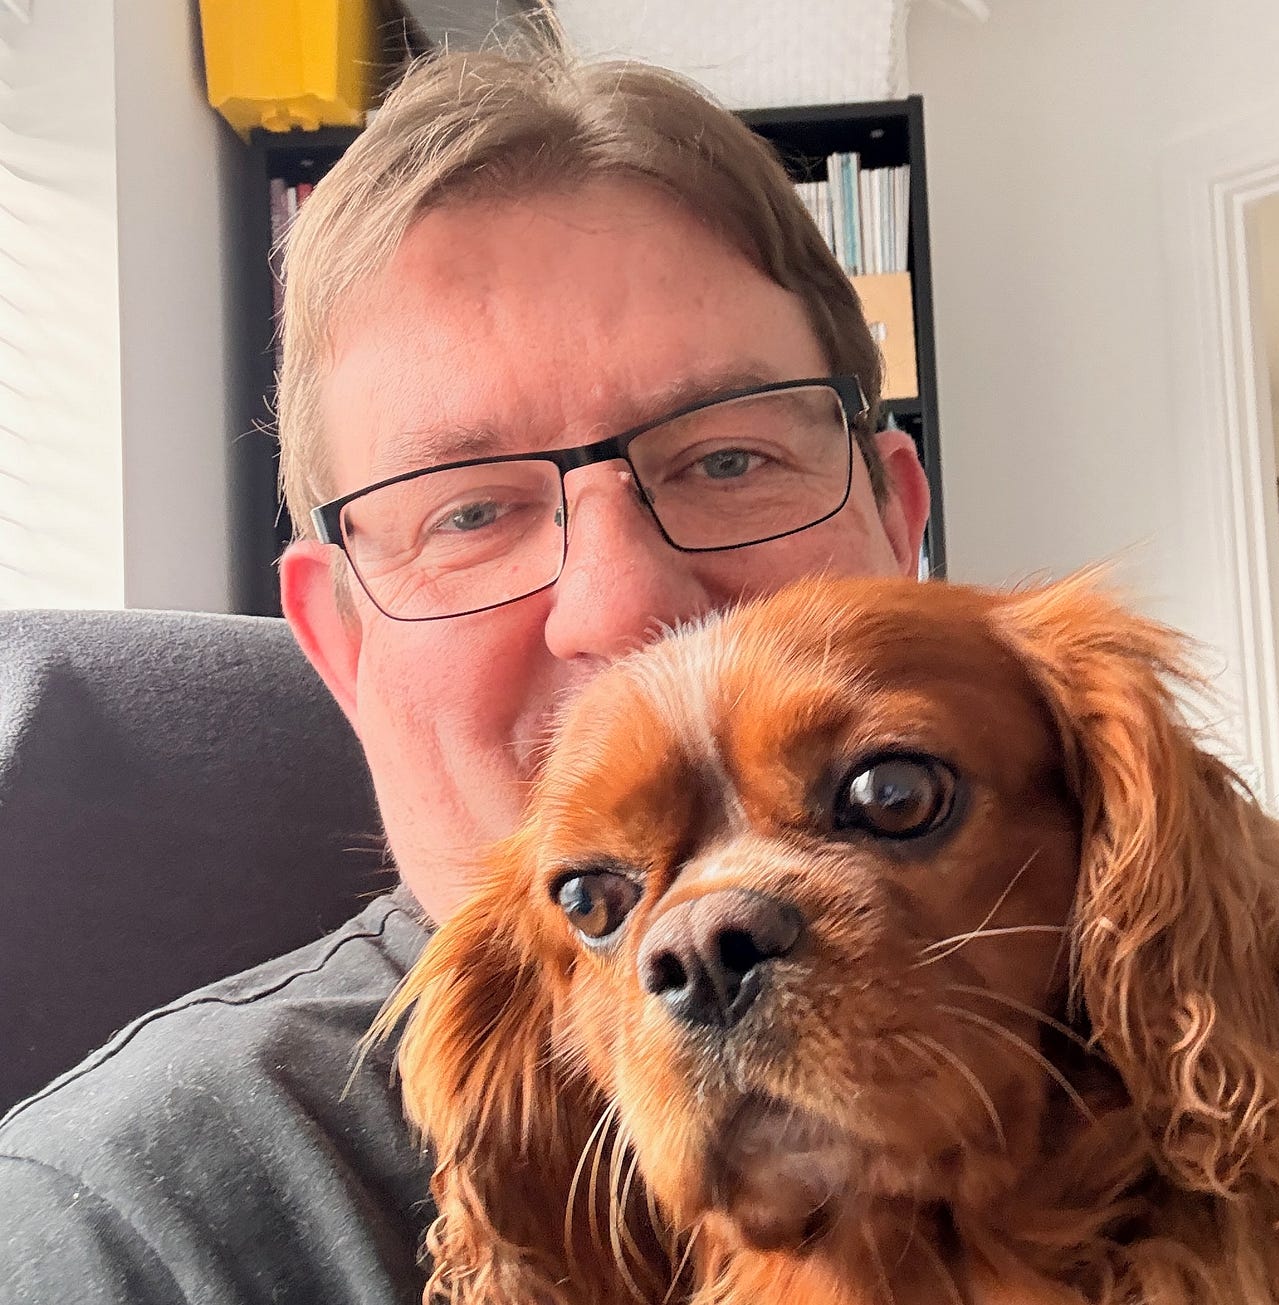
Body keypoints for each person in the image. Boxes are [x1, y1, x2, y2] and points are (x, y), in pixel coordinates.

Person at [0, 40, 929, 1304]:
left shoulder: (1147, 966)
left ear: (897, 518)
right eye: (470, 513)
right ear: (340, 644)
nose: (625, 611)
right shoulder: (124, 1238)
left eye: (729, 460)